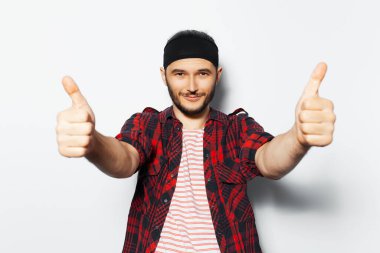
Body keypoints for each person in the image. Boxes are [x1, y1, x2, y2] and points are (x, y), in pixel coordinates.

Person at [56, 30, 336, 253]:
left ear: (218, 75)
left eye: (203, 73)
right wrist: (92, 143)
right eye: (180, 74)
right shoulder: (148, 124)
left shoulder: (236, 128)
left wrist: (299, 138)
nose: (191, 86)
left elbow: (268, 160)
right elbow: (124, 159)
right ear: (164, 75)